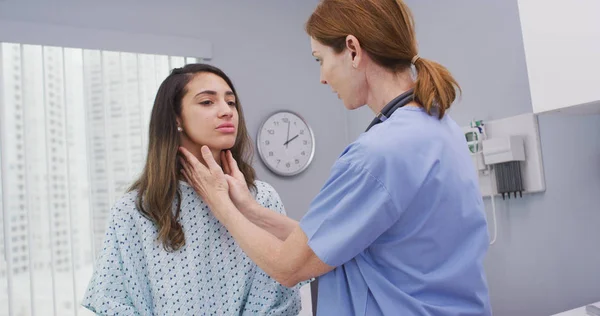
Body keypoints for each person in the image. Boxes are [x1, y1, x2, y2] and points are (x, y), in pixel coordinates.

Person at [179, 0, 491, 315]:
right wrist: (250, 210)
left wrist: (220, 204)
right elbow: (328, 242)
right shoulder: (441, 128)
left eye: (321, 59)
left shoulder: (377, 154)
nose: (322, 78)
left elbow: (289, 267)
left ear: (353, 50)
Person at [82, 64, 303, 315]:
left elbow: (280, 299)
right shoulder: (136, 209)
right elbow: (114, 302)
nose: (226, 111)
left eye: (231, 103)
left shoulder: (261, 198)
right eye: (207, 102)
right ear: (176, 118)